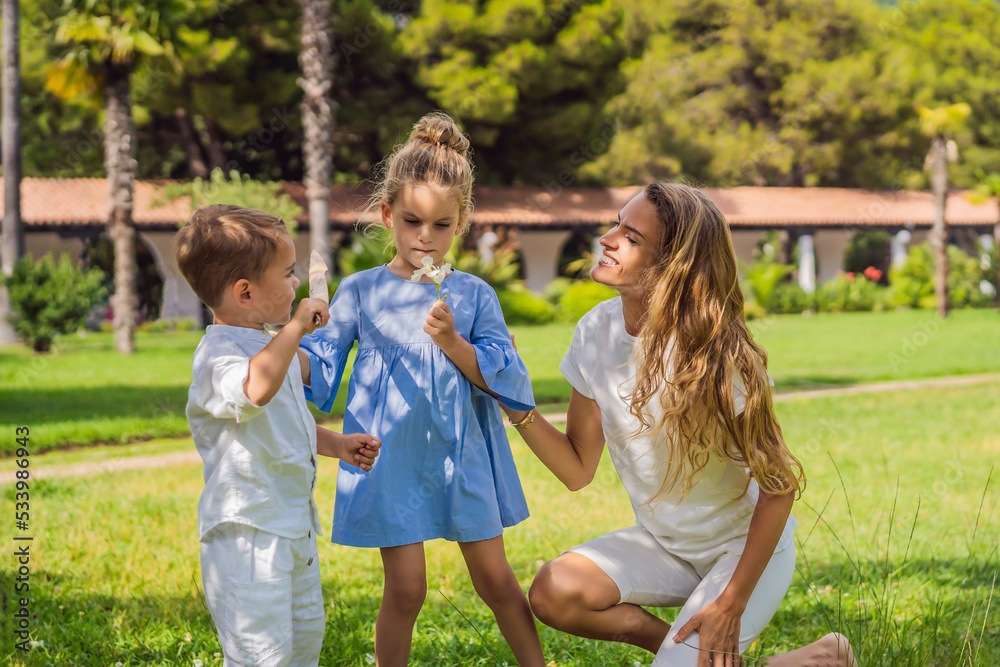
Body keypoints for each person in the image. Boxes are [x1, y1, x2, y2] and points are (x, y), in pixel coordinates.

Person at [500, 183, 857, 667]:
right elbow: (578, 468)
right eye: (615, 223)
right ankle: (807, 660)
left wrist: (729, 604)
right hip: (666, 547)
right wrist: (514, 402)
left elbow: (780, 487)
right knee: (554, 592)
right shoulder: (595, 331)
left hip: (743, 553)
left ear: (671, 265)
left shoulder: (717, 356)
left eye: (631, 236)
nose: (607, 238)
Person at [297, 113, 544, 667]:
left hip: (463, 456)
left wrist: (454, 343)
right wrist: (293, 337)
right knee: (406, 590)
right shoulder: (359, 291)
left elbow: (510, 378)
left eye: (441, 225)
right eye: (412, 222)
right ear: (388, 215)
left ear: (462, 223)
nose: (425, 239)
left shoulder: (474, 294)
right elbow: (321, 370)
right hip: (391, 459)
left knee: (497, 582)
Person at [175, 204, 382, 666]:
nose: (296, 284)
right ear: (245, 292)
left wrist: (337, 445)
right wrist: (293, 328)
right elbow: (255, 390)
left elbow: (290, 423)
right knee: (261, 656)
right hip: (248, 535)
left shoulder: (269, 344)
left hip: (292, 528)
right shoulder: (218, 355)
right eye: (288, 275)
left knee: (303, 643)